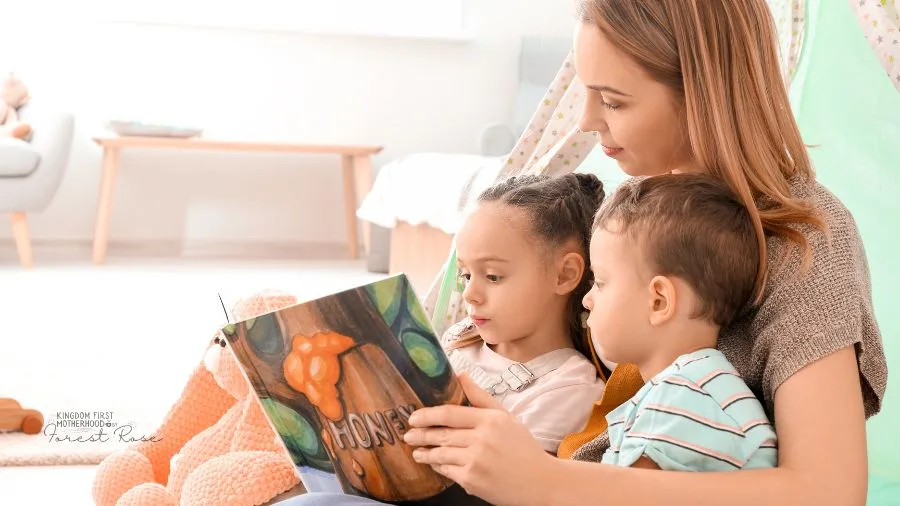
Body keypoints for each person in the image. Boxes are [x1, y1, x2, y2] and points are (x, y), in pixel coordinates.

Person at [281, 0, 887, 504]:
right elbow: (581, 387)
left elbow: (827, 490)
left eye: (614, 100)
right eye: (586, 92)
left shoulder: (804, 238)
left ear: (702, 93)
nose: (588, 121)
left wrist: (548, 482)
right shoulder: (634, 205)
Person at [585, 173, 776, 472]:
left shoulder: (682, 399)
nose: (587, 299)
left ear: (659, 301)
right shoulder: (692, 389)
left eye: (600, 282)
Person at [440, 172, 607, 455]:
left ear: (565, 275)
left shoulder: (569, 390)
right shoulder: (461, 336)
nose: (469, 294)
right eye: (466, 275)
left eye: (493, 276)